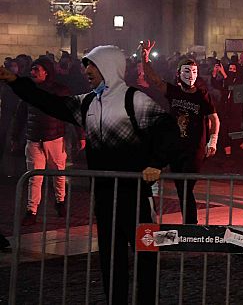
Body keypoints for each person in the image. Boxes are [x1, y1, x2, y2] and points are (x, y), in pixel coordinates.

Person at [0, 45, 178, 305]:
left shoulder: (135, 99)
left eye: (92, 65)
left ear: (108, 66)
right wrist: (17, 83)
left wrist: (157, 163)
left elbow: (168, 129)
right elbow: (49, 102)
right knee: (110, 256)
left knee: (146, 252)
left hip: (136, 192)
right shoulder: (87, 102)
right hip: (104, 193)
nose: (86, 71)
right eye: (86, 65)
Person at [141, 41, 220, 224]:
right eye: (186, 71)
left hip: (194, 149)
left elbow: (214, 118)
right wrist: (145, 58)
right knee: (159, 182)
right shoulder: (174, 91)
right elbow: (154, 79)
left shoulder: (202, 95)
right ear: (179, 73)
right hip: (174, 147)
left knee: (185, 188)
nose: (190, 76)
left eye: (194, 72)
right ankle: (149, 220)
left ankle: (191, 227)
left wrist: (213, 141)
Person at [14, 56, 74, 225]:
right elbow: (20, 115)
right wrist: (14, 136)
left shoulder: (60, 90)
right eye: (32, 69)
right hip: (34, 139)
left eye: (36, 69)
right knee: (35, 177)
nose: (33, 72)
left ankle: (60, 201)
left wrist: (80, 134)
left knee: (58, 174)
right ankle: (31, 211)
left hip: (55, 138)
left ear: (46, 73)